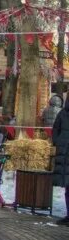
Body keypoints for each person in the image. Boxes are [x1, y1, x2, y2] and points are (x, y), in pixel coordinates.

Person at [52, 94, 68, 225]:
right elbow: (55, 129)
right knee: (67, 187)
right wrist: (57, 141)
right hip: (64, 154)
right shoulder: (63, 113)